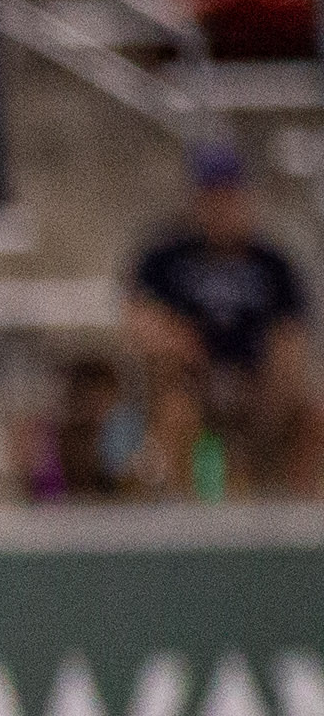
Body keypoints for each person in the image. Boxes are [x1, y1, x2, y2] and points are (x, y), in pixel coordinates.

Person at [121, 146, 318, 497]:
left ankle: (295, 518)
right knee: (177, 414)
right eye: (211, 198)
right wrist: (185, 346)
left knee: (314, 420)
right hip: (191, 386)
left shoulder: (272, 264)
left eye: (228, 197)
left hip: (257, 387)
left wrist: (269, 387)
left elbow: (291, 338)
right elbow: (140, 320)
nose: (220, 208)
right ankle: (191, 518)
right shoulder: (166, 258)